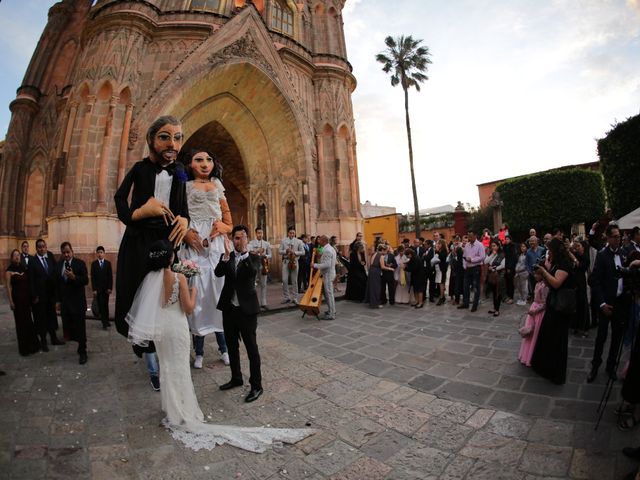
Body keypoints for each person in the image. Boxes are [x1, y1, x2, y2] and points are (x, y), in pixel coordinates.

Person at [126, 239, 312, 452]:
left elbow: (160, 303)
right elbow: (188, 308)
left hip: (162, 328)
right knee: (178, 368)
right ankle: (183, 411)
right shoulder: (177, 276)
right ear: (169, 257)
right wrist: (193, 289)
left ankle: (171, 408)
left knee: (167, 366)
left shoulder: (151, 277)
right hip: (176, 327)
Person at [114, 115, 193, 391]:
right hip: (139, 239)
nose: (173, 143)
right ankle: (147, 355)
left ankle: (167, 356)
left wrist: (185, 220)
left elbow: (185, 202)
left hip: (168, 240)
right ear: (151, 140)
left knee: (166, 300)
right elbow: (119, 198)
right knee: (138, 296)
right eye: (165, 136)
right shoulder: (139, 168)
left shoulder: (181, 170)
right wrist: (137, 213)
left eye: (178, 137)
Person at [179, 149, 232, 370]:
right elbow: (178, 216)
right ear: (190, 164)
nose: (204, 163)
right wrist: (185, 234)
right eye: (199, 160)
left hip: (216, 243)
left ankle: (224, 348)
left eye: (209, 159)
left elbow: (228, 218)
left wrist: (223, 227)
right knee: (197, 296)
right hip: (194, 244)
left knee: (218, 296)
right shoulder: (185, 187)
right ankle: (198, 351)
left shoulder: (218, 185)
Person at [215, 225, 263, 402]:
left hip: (247, 310)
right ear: (232, 239)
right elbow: (217, 273)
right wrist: (226, 257)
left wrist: (244, 254)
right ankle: (236, 378)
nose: (239, 241)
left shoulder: (254, 258)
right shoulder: (226, 256)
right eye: (236, 238)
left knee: (252, 349)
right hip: (229, 309)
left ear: (247, 239)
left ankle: (257, 386)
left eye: (243, 237)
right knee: (231, 346)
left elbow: (251, 273)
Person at [587, 225, 630, 383]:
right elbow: (596, 282)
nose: (618, 239)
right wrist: (602, 303)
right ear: (609, 237)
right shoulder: (602, 255)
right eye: (616, 237)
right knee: (601, 337)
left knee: (617, 337)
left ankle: (611, 366)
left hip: (620, 303)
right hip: (606, 303)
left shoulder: (624, 253)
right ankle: (595, 366)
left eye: (619, 236)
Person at [531, 238, 575, 384]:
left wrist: (544, 271)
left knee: (557, 340)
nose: (548, 253)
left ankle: (555, 372)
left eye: (550, 250)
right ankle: (545, 367)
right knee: (548, 336)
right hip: (553, 304)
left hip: (560, 307)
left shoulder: (564, 264)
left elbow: (556, 283)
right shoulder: (557, 262)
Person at [29, 238, 65, 351]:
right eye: (39, 246)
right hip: (39, 297)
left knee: (52, 318)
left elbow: (55, 271)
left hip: (50, 295)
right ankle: (43, 342)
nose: (42, 248)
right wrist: (34, 295)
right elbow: (31, 280)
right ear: (36, 248)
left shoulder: (49, 256)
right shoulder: (32, 261)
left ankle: (54, 338)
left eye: (43, 246)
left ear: (46, 247)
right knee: (41, 319)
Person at [57, 242, 89, 364]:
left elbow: (85, 280)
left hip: (78, 303)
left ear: (72, 251)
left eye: (68, 252)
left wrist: (74, 277)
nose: (66, 254)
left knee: (81, 328)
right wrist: (58, 301)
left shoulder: (79, 263)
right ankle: (77, 343)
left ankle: (83, 352)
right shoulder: (59, 265)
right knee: (70, 328)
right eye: (64, 252)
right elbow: (58, 284)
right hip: (66, 303)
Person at [5, 249, 40, 356]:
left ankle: (33, 346)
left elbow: (29, 283)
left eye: (18, 255)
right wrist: (11, 301)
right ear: (11, 258)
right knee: (21, 324)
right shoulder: (9, 271)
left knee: (29, 322)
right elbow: (8, 287)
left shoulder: (24, 268)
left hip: (26, 300)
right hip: (17, 301)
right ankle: (24, 349)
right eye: (15, 255)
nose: (17, 257)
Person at [518, 268, 548, 366]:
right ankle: (526, 355)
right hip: (533, 310)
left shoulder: (544, 286)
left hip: (538, 312)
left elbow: (544, 303)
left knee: (535, 334)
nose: (535, 276)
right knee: (529, 333)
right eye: (535, 274)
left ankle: (532, 357)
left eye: (537, 274)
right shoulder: (537, 284)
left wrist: (535, 310)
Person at [458, 231, 485, 312]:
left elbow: (482, 257)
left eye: (470, 236)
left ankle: (475, 305)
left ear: (475, 236)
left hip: (476, 267)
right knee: (465, 286)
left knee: (476, 286)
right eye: (468, 236)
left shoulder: (479, 245)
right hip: (467, 268)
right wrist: (464, 265)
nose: (469, 238)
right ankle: (465, 303)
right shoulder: (467, 245)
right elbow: (464, 256)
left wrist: (472, 260)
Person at [313, 235, 337, 320]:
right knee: (328, 294)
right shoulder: (330, 248)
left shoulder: (327, 250)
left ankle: (332, 313)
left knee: (329, 294)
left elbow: (327, 265)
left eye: (320, 240)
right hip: (329, 273)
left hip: (328, 274)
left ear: (324, 241)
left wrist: (315, 265)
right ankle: (331, 310)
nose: (318, 242)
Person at [279, 227, 305, 304]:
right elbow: (279, 251)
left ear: (295, 233)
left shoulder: (299, 241)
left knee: (294, 280)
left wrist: (295, 252)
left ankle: (295, 298)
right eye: (290, 233)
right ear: (288, 233)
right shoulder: (283, 241)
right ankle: (286, 297)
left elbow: (303, 252)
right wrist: (285, 251)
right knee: (284, 280)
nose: (292, 234)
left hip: (294, 261)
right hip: (286, 261)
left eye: (293, 233)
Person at [570, 239, 590, 337]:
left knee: (583, 305)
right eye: (576, 246)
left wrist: (573, 257)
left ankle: (585, 327)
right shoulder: (575, 255)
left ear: (583, 247)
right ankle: (575, 326)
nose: (576, 248)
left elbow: (580, 265)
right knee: (575, 305)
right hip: (574, 284)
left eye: (579, 246)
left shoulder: (585, 257)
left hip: (582, 284)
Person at [248, 227, 272, 310]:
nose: (260, 234)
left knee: (263, 284)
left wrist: (265, 255)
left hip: (263, 265)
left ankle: (263, 303)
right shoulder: (251, 243)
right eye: (258, 233)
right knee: (253, 284)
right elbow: (249, 253)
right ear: (255, 233)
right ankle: (253, 303)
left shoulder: (266, 243)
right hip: (254, 265)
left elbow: (270, 255)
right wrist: (257, 251)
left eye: (261, 233)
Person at [90, 246, 113, 330]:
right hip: (98, 289)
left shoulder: (108, 263)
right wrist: (94, 289)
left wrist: (110, 288)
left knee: (106, 305)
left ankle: (106, 320)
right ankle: (104, 323)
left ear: (104, 253)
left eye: (101, 252)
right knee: (101, 305)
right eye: (98, 252)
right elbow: (93, 277)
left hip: (106, 289)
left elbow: (110, 277)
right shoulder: (94, 264)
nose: (100, 254)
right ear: (96, 254)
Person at [484, 240, 505, 317]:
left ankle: (497, 309)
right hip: (491, 276)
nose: (493, 247)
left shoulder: (502, 254)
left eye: (494, 246)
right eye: (492, 246)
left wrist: (494, 268)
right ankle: (494, 307)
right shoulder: (491, 254)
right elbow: (486, 261)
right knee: (493, 292)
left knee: (497, 293)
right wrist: (492, 255)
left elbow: (503, 265)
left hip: (498, 276)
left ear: (498, 246)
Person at [365, 244, 387, 309]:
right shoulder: (381, 256)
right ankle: (376, 304)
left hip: (371, 271)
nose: (386, 253)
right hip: (376, 272)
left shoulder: (374, 254)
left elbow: (369, 264)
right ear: (382, 250)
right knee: (376, 288)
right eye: (386, 251)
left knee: (372, 287)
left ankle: (371, 302)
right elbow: (383, 267)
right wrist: (390, 268)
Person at [433, 239, 449, 306]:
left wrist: (437, 251)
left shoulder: (444, 251)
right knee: (439, 283)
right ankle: (442, 296)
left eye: (439, 244)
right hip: (438, 269)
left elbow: (442, 257)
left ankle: (442, 297)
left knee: (441, 283)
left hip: (442, 270)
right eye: (437, 244)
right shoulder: (439, 251)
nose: (438, 245)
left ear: (442, 244)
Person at [503, 235, 517, 304]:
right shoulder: (505, 246)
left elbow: (513, 258)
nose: (506, 240)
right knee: (507, 282)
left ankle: (511, 297)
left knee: (511, 283)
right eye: (506, 239)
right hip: (506, 267)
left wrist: (509, 268)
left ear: (511, 240)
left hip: (510, 267)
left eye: (508, 239)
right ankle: (508, 296)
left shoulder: (513, 247)